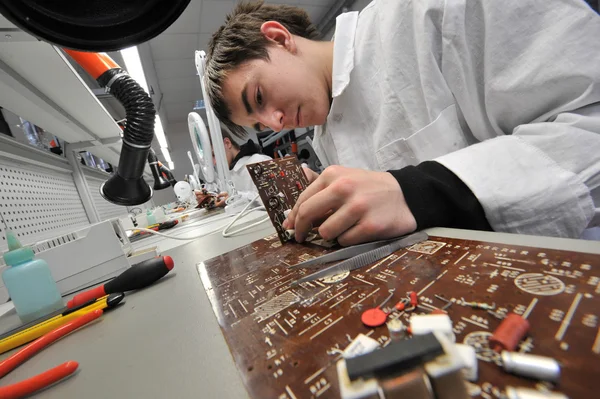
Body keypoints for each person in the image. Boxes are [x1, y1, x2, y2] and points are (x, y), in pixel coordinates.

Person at [205, 0, 600, 246]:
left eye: (259, 97)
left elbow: (588, 126)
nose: (275, 121)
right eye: (259, 124)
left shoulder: (426, 12)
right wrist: (336, 205)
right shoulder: (327, 136)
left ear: (278, 38)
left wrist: (421, 191)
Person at [195, 127, 272, 207]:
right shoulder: (225, 172)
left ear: (227, 143)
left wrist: (235, 197)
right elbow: (221, 196)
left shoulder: (259, 161)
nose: (214, 163)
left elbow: (275, 200)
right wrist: (209, 197)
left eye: (214, 155)